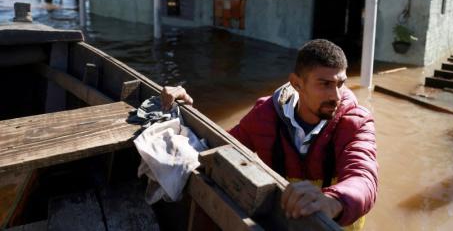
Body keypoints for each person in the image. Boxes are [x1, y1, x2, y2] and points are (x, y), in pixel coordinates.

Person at [161, 39, 378, 228]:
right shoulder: (265, 115)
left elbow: (364, 178)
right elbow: (218, 147)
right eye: (325, 84)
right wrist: (184, 110)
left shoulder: (356, 122)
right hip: (284, 223)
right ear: (296, 83)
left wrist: (332, 201)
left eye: (341, 83)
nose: (336, 95)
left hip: (336, 225)